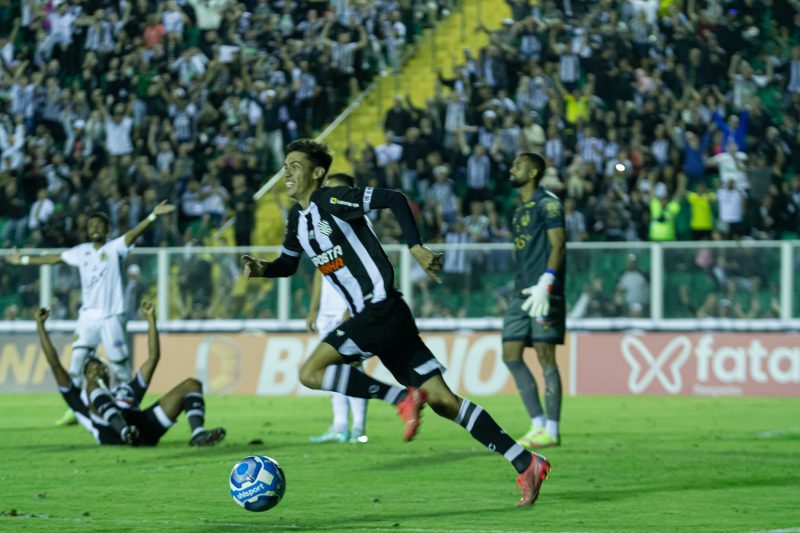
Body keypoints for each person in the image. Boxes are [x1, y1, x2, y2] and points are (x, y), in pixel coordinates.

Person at [241, 139, 551, 507]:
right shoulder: (298, 219)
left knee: (311, 372)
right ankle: (526, 461)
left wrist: (415, 246)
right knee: (443, 401)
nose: (287, 172)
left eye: (295, 165)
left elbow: (395, 199)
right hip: (386, 316)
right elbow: (289, 264)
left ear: (317, 172)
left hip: (379, 308)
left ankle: (400, 397)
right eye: (286, 165)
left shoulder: (332, 200)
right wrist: (263, 269)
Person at [5, 201, 175, 426]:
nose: (94, 227)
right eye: (91, 224)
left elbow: (132, 234)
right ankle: (76, 411)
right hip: (88, 317)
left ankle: (129, 405)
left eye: (99, 224)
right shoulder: (80, 252)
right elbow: (52, 259)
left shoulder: (114, 248)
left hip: (111, 316)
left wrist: (152, 215)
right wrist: (23, 260)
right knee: (76, 364)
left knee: (120, 367)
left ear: (107, 229)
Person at [35, 301, 226, 446]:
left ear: (108, 373)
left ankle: (198, 434)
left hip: (144, 428)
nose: (96, 371)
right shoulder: (79, 398)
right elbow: (55, 364)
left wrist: (151, 319)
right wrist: (40, 326)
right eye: (90, 370)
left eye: (100, 367)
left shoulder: (127, 391)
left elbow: (153, 359)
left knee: (192, 385)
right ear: (84, 376)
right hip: (110, 434)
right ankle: (124, 430)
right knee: (94, 389)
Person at [501, 152, 566, 450]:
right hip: (521, 293)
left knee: (545, 358)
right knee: (510, 354)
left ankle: (551, 429)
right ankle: (537, 424)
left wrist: (547, 281)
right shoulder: (520, 209)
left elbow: (558, 244)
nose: (512, 169)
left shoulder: (548, 202)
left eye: (518, 165)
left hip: (544, 291)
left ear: (534, 170)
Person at [306, 173, 368, 445]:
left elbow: (364, 269)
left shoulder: (357, 223)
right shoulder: (322, 223)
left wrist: (352, 308)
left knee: (353, 366)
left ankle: (359, 428)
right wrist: (313, 308)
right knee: (331, 370)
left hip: (349, 308)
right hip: (327, 313)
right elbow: (321, 270)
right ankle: (340, 425)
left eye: (333, 188)